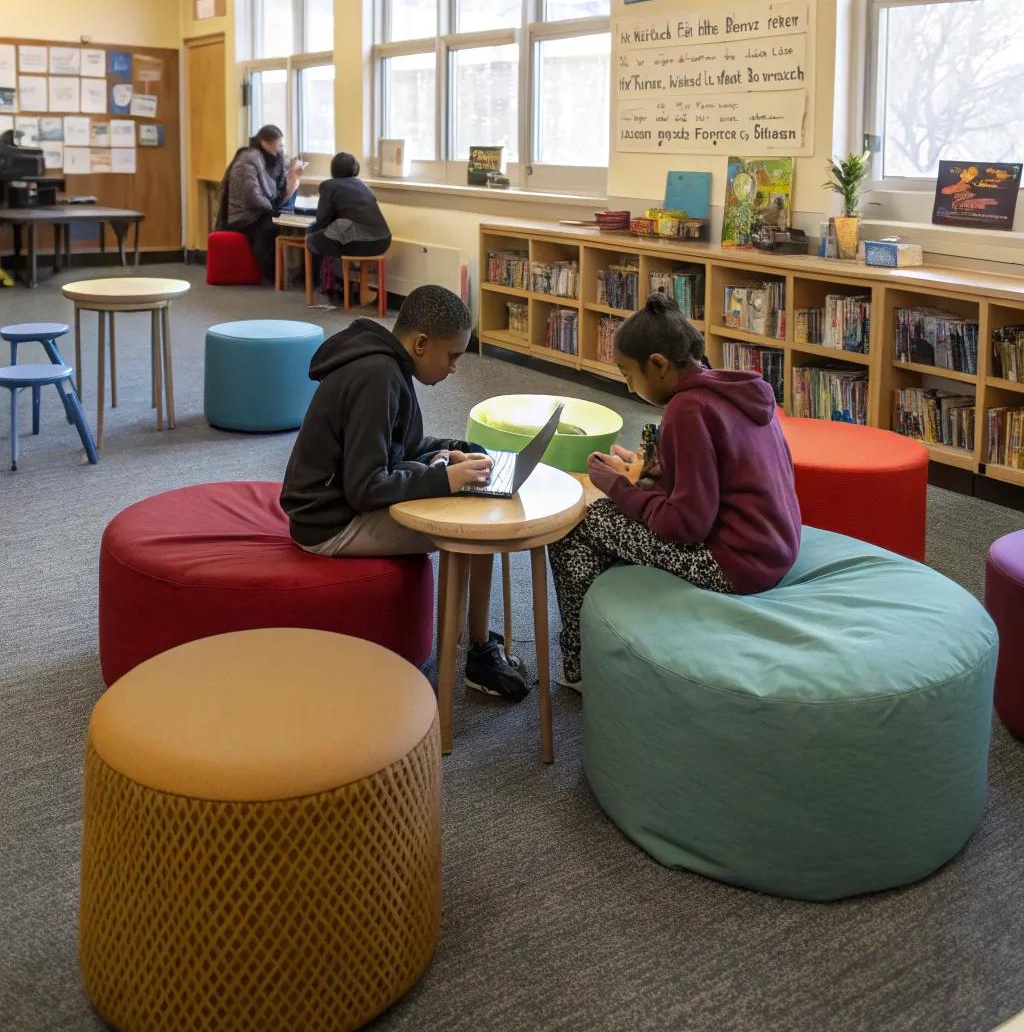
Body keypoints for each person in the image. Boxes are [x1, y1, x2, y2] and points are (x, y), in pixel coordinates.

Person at [280, 283, 530, 701]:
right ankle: (479, 653)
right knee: (476, 529)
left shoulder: (391, 365)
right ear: (421, 343)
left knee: (468, 502)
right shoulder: (376, 377)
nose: (453, 369)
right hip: (329, 522)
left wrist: (456, 451)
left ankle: (480, 640)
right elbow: (365, 488)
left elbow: (405, 445)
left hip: (342, 503)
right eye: (452, 356)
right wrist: (443, 480)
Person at [549, 293, 802, 689]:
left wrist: (618, 488)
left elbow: (685, 525)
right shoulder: (735, 393)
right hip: (776, 547)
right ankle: (615, 631)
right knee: (612, 517)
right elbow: (718, 481)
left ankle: (581, 665)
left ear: (659, 365)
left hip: (736, 565)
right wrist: (650, 476)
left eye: (629, 375)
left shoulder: (687, 410)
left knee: (580, 523)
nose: (630, 389)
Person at [216, 125, 303, 281]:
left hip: (263, 212)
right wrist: (275, 211)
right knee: (271, 227)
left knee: (292, 219)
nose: (281, 150)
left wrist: (293, 179)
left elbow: (280, 189)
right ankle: (271, 274)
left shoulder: (274, 161)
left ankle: (295, 274)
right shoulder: (247, 161)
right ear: (266, 143)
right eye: (280, 146)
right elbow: (252, 197)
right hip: (244, 217)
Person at [306, 152, 391, 307]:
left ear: (333, 169)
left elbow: (322, 219)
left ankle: (324, 287)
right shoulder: (361, 185)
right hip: (382, 241)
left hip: (358, 241)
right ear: (355, 168)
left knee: (313, 239)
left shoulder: (329, 185)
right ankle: (342, 287)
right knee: (338, 234)